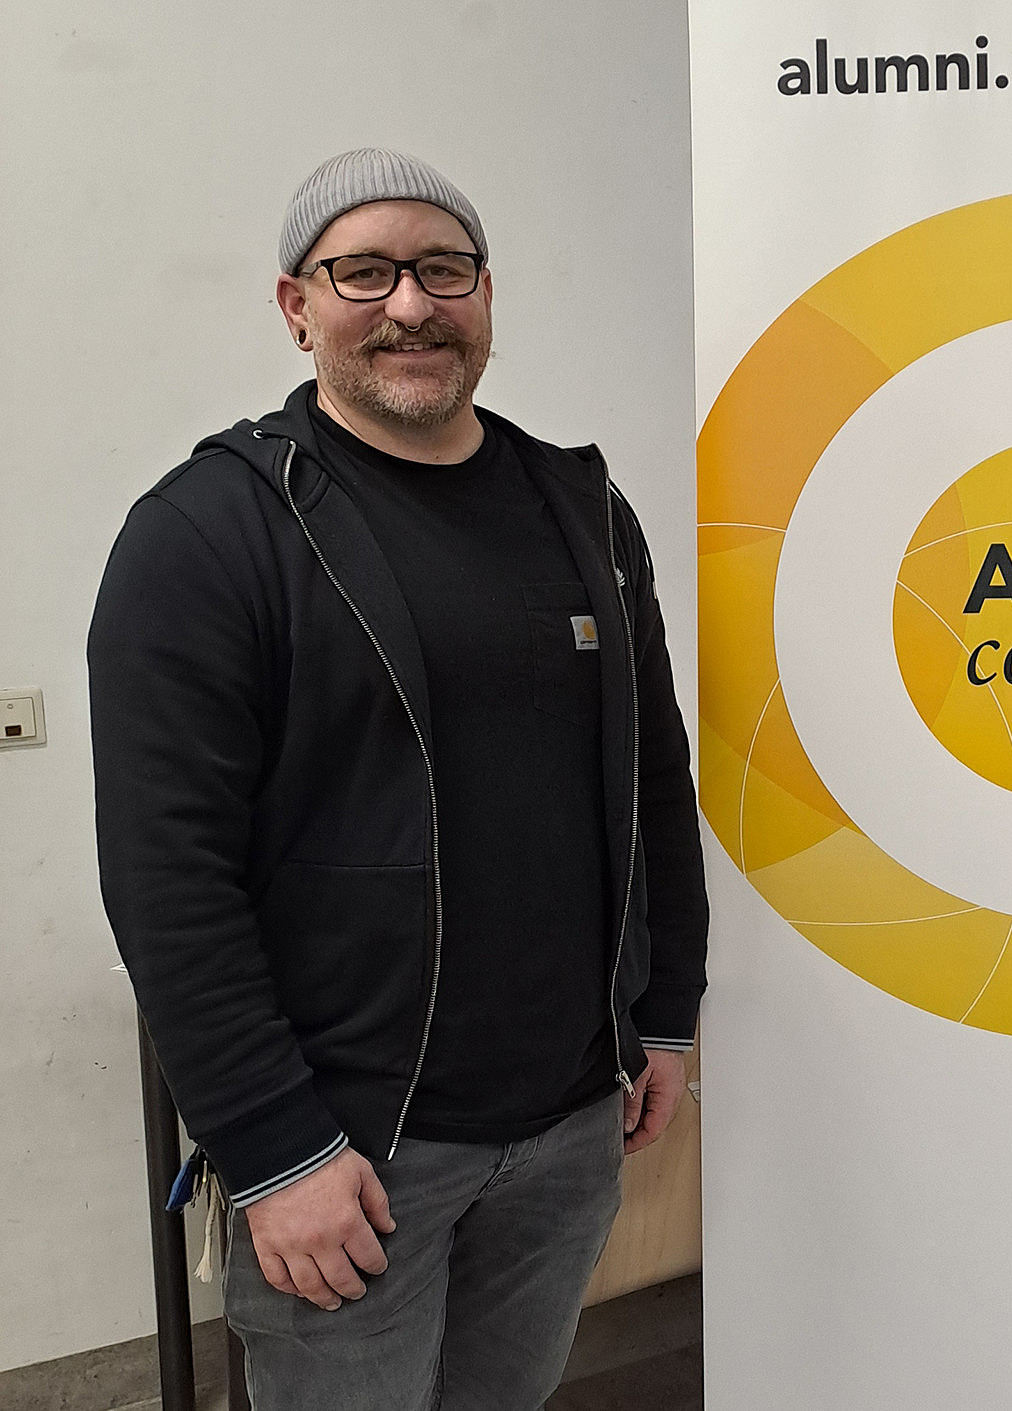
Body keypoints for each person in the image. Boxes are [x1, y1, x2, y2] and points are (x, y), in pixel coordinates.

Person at [89, 148, 708, 1411]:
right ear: (297, 304)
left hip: (568, 1128)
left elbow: (652, 774)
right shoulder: (212, 531)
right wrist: (273, 1149)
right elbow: (168, 874)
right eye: (362, 271)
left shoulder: (581, 509)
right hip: (354, 1152)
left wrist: (666, 1010)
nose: (411, 305)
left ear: (487, 294)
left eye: (443, 268)